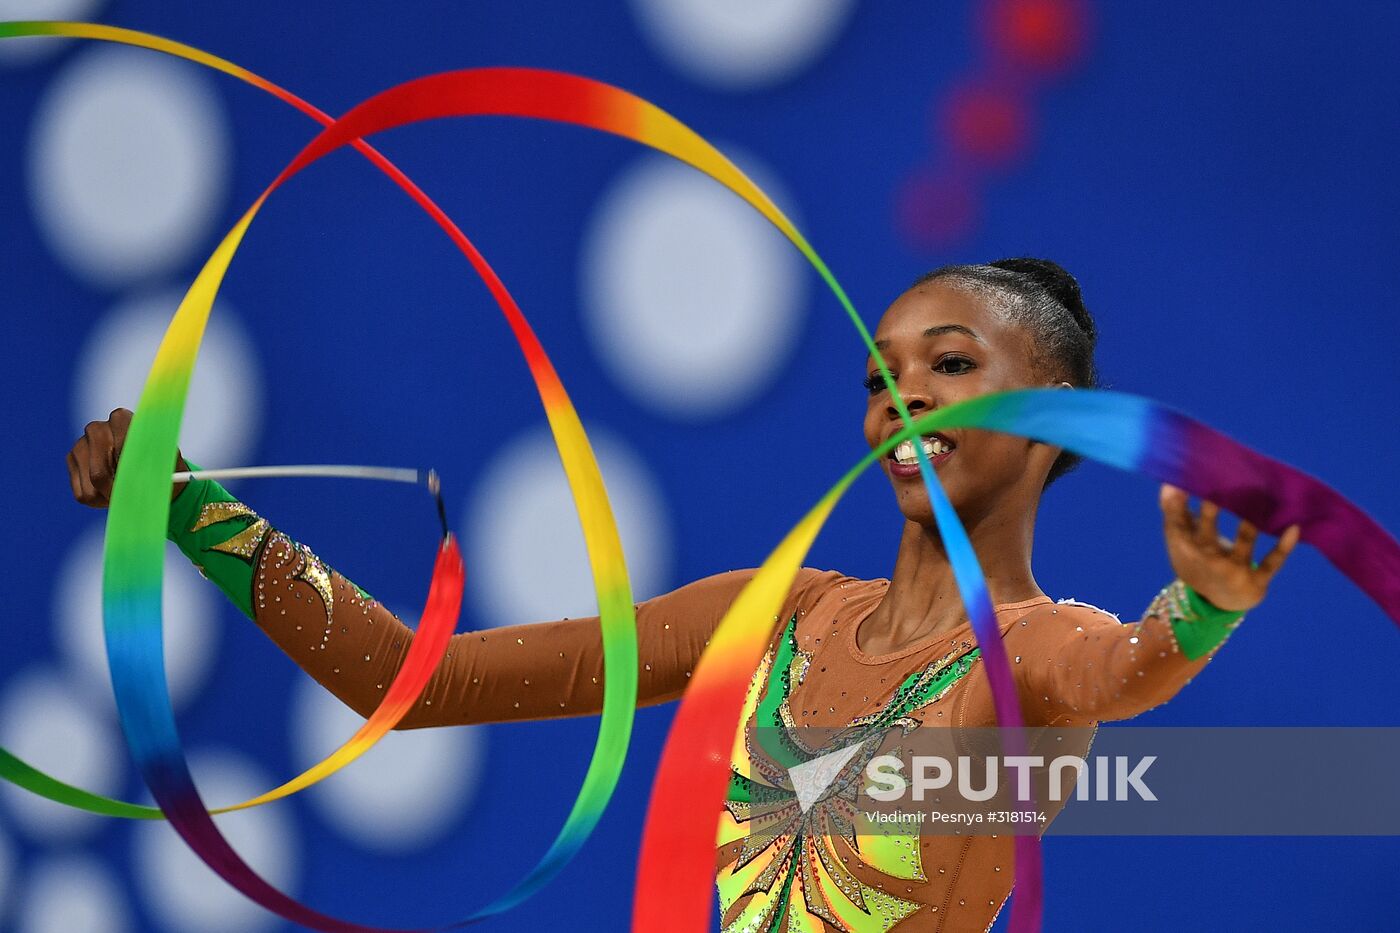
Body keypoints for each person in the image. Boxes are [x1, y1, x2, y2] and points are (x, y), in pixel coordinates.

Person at [67, 258, 1300, 932]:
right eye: (883, 374)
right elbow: (415, 681)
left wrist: (1198, 608)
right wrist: (187, 507)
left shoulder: (1035, 648)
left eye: (954, 367)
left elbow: (1125, 672)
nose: (904, 396)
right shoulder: (767, 617)